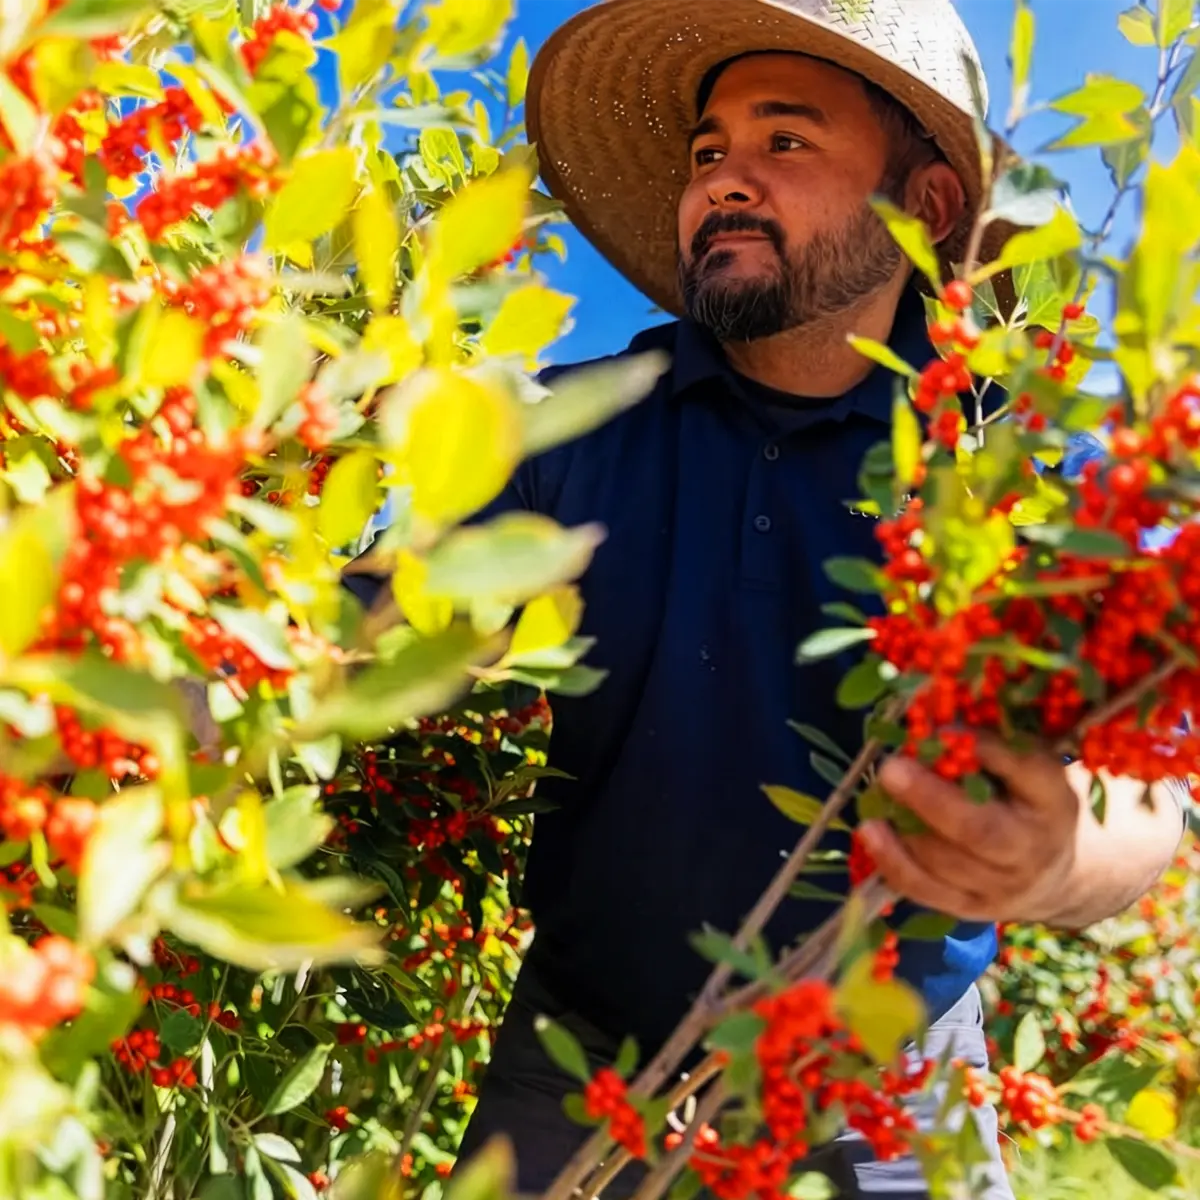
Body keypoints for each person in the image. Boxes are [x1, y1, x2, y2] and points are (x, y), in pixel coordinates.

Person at [349, 1, 1186, 1195]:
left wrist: (1053, 861)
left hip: (882, 1092)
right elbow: (364, 626)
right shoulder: (573, 423)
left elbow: (1142, 806)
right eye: (706, 153)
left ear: (928, 207)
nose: (723, 182)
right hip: (581, 1058)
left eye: (784, 142)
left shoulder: (1015, 471)